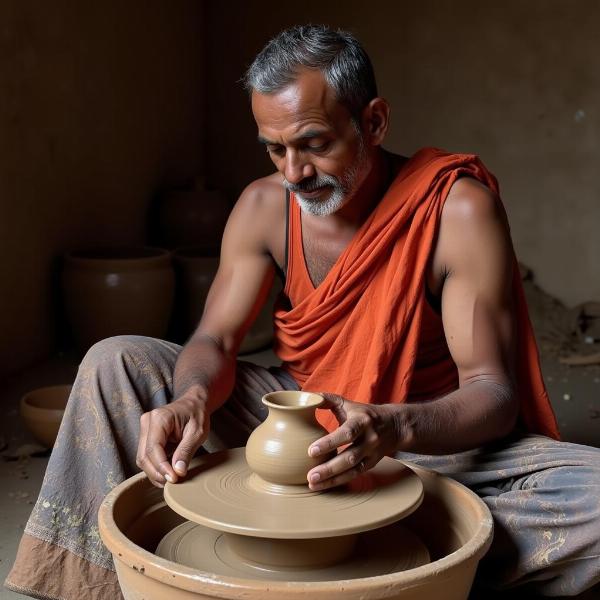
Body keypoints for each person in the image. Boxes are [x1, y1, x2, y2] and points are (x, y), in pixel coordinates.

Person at [6, 24, 600, 600]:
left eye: (314, 144)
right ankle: (117, 582)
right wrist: (190, 397)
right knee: (114, 362)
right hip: (297, 424)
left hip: (426, 440)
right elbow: (214, 338)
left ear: (374, 121)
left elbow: (493, 393)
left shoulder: (456, 211)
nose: (295, 173)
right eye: (275, 149)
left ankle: (398, 546)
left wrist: (394, 426)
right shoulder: (264, 207)